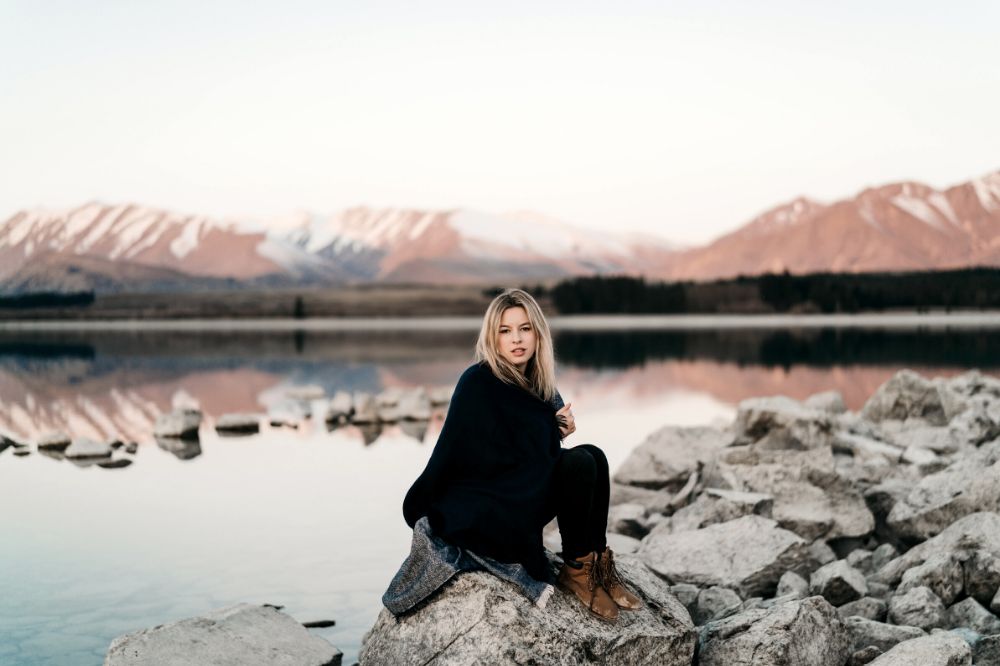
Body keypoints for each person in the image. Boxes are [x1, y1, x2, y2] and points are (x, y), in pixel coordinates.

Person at [387, 288, 640, 623]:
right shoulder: (478, 381)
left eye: (525, 329)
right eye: (505, 331)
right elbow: (489, 459)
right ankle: (576, 573)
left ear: (538, 333)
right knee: (577, 463)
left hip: (521, 492)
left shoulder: (539, 383)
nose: (516, 339)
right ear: (493, 338)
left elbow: (532, 456)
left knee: (594, 456)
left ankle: (597, 564)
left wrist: (554, 432)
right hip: (489, 505)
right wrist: (551, 432)